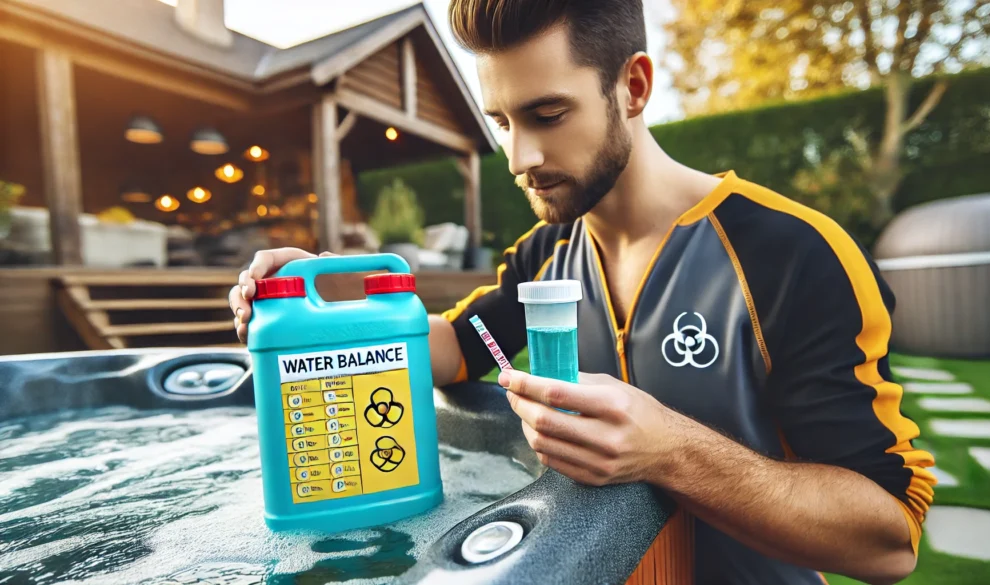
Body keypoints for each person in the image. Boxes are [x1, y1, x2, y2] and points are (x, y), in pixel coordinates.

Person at [229, 1, 936, 583]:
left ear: (632, 87)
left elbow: (888, 539)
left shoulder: (794, 253)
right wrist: (322, 298)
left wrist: (670, 450)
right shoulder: (544, 254)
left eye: (547, 114)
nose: (518, 158)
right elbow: (450, 347)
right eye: (502, 122)